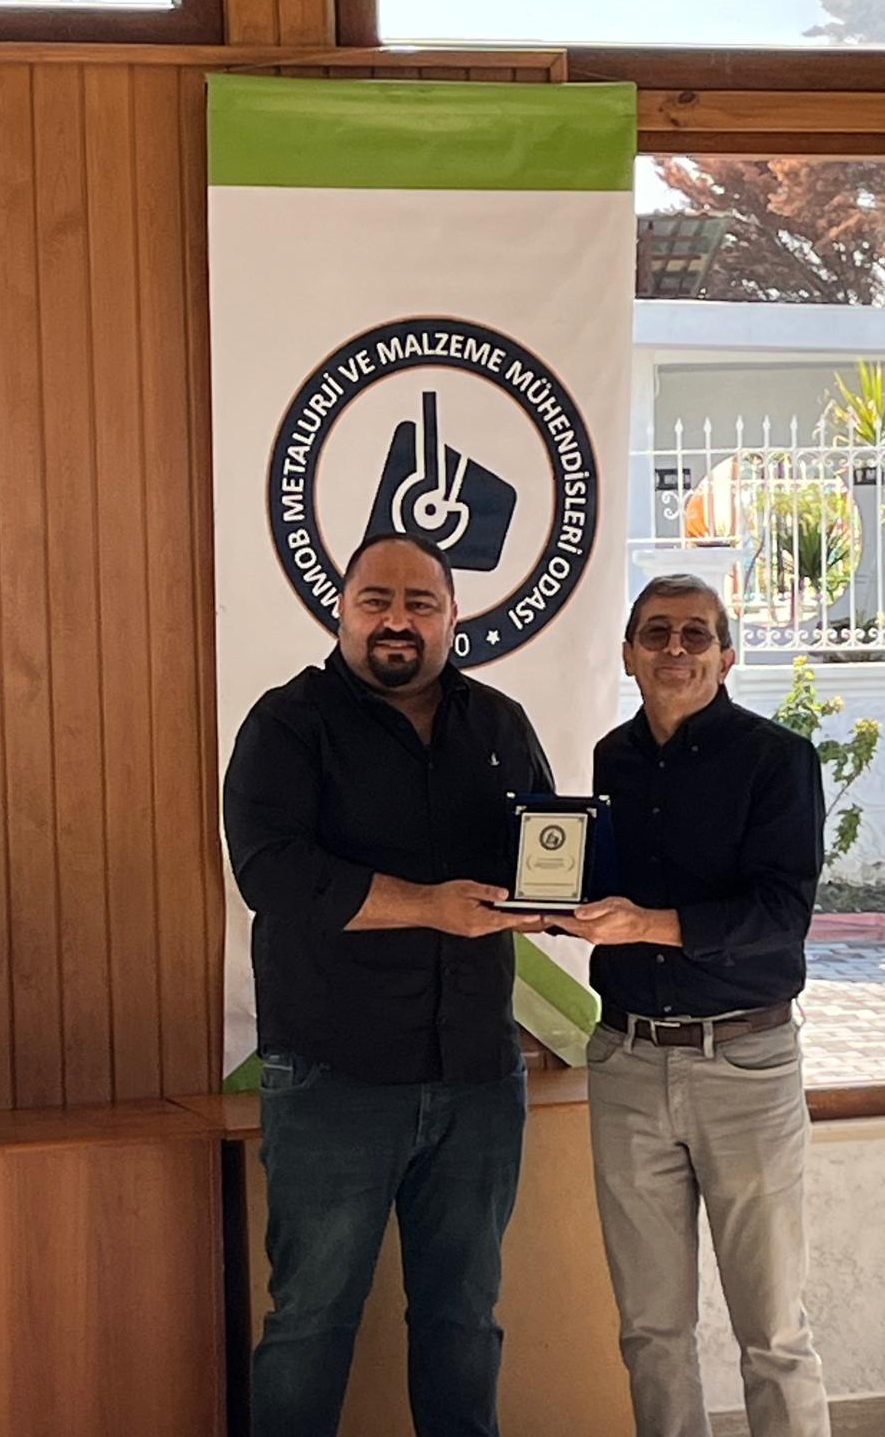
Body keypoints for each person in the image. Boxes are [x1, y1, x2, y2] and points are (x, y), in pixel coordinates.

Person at [223, 531, 553, 1437]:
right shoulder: (287, 725)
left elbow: (542, 857)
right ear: (342, 610)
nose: (397, 620)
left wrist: (563, 901)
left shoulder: (500, 725)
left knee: (464, 1320)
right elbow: (272, 874)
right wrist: (429, 907)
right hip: (335, 1078)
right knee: (310, 1323)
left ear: (453, 615)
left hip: (478, 1075)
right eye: (377, 600)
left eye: (420, 602)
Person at [557, 574, 831, 1437]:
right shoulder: (613, 759)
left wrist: (647, 924)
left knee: (773, 1332)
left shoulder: (778, 760)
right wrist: (562, 908)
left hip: (745, 1066)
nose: (675, 648)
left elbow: (781, 916)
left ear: (727, 655)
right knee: (650, 1331)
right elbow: (608, 889)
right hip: (628, 1062)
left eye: (695, 634)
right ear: (628, 654)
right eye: (656, 632)